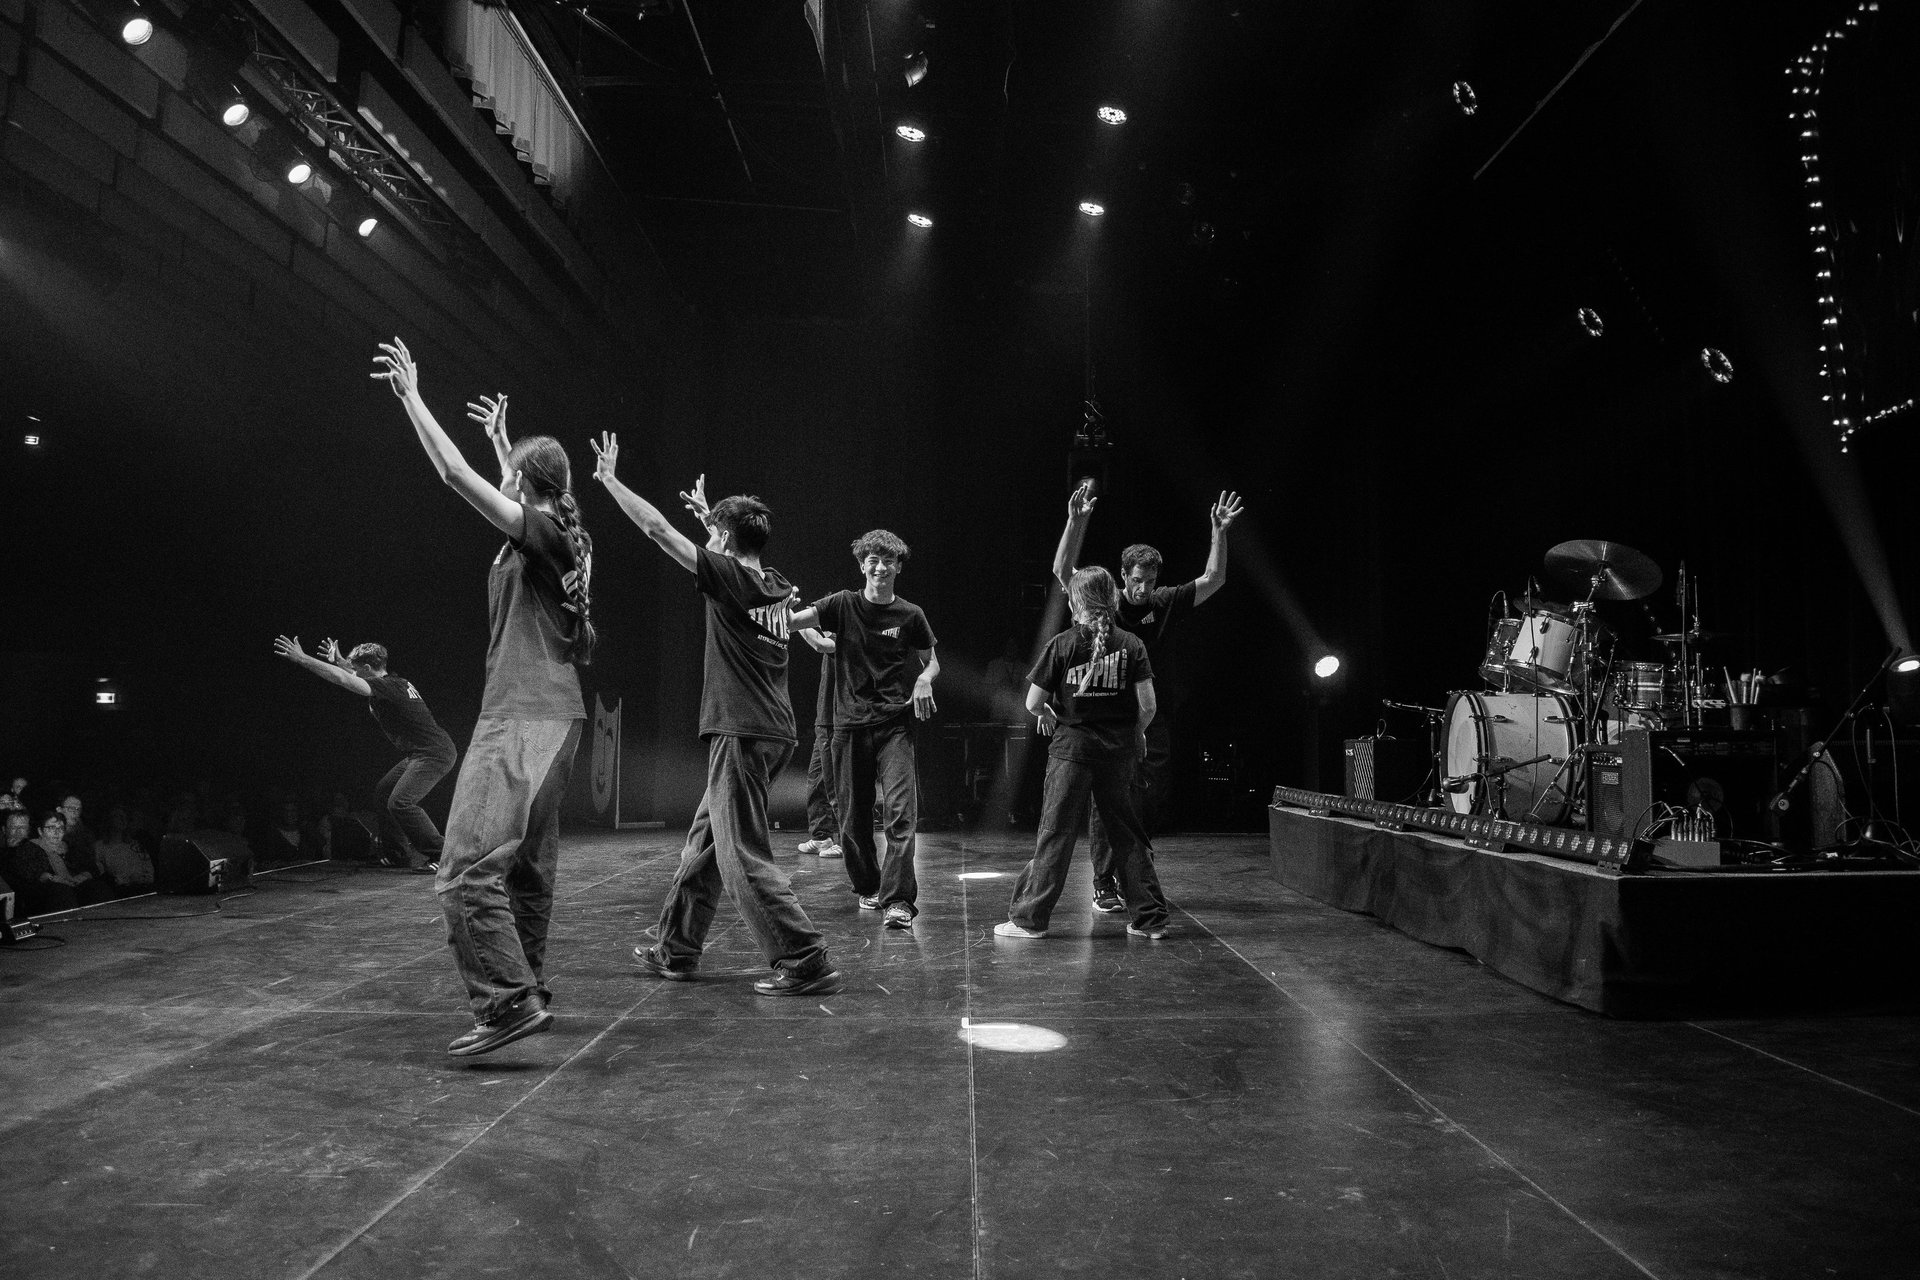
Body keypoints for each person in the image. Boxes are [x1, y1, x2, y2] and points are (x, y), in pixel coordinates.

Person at [372, 341, 596, 1057]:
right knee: (525, 870)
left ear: (525, 485)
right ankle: (525, 989)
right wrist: (505, 440)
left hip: (522, 717)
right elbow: (512, 483)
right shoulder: (566, 538)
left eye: (510, 471)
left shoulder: (539, 534)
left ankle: (503, 1003)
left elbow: (454, 474)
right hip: (559, 718)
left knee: (466, 866)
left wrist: (412, 396)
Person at [593, 443, 841, 996]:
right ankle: (675, 949)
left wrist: (610, 482)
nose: (709, 542)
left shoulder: (732, 578)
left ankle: (803, 957)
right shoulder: (774, 584)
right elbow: (730, 547)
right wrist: (714, 517)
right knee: (706, 844)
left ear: (726, 542)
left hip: (742, 729)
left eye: (714, 535)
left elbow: (659, 531)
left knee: (739, 853)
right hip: (770, 729)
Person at [1052, 481, 1243, 911]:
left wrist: (1220, 532)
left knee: (1145, 798)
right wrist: (1075, 522)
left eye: (1150, 581)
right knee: (1108, 796)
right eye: (1138, 581)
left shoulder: (1165, 601)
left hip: (1150, 715)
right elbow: (1064, 574)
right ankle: (1104, 882)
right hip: (1108, 716)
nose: (1143, 589)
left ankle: (1131, 870)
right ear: (1124, 577)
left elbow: (1215, 578)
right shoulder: (1104, 601)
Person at [996, 567, 1171, 941]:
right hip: (1118, 753)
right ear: (1112, 599)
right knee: (1128, 836)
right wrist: (1135, 734)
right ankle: (1152, 921)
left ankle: (1029, 921)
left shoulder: (1062, 643)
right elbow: (1149, 707)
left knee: (1056, 834)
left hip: (1071, 753)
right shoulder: (1132, 644)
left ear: (1075, 601)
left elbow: (1032, 702)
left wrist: (1045, 713)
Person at [787, 530, 939, 930]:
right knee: (852, 821)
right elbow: (791, 623)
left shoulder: (910, 615)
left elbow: (931, 662)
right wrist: (783, 609)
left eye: (888, 561)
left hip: (895, 726)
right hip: (849, 727)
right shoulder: (842, 604)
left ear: (898, 567)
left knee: (901, 814)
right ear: (862, 565)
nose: (880, 567)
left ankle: (900, 900)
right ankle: (870, 885)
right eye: (872, 560)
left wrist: (925, 678)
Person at [272, 635, 458, 870]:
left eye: (358, 669)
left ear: (368, 668)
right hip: (421, 752)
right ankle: (397, 854)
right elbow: (349, 671)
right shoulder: (395, 682)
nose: (354, 673)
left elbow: (341, 678)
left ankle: (443, 855)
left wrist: (302, 659)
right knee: (384, 792)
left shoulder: (386, 687)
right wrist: (340, 660)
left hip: (434, 753)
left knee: (400, 802)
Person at [795, 628, 843, 858]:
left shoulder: (840, 639)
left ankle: (849, 842)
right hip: (823, 721)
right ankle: (821, 836)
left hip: (834, 722)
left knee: (835, 786)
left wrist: (794, 619)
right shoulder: (831, 637)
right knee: (816, 781)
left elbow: (819, 644)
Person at [94, 805, 155, 894]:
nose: (123, 819)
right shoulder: (99, 847)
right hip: (118, 891)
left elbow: (148, 869)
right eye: (118, 816)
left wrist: (141, 879)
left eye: (124, 817)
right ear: (109, 820)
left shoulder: (136, 845)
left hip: (142, 889)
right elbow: (101, 873)